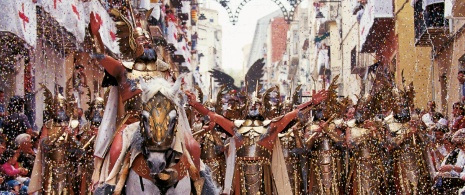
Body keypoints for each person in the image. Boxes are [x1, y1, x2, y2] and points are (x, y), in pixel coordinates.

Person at [185, 89, 328, 195]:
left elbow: (293, 114)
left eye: (256, 106)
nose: (254, 108)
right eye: (252, 106)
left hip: (265, 185)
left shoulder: (270, 128)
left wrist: (312, 102)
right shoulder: (237, 128)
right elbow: (213, 116)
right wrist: (194, 104)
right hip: (240, 185)